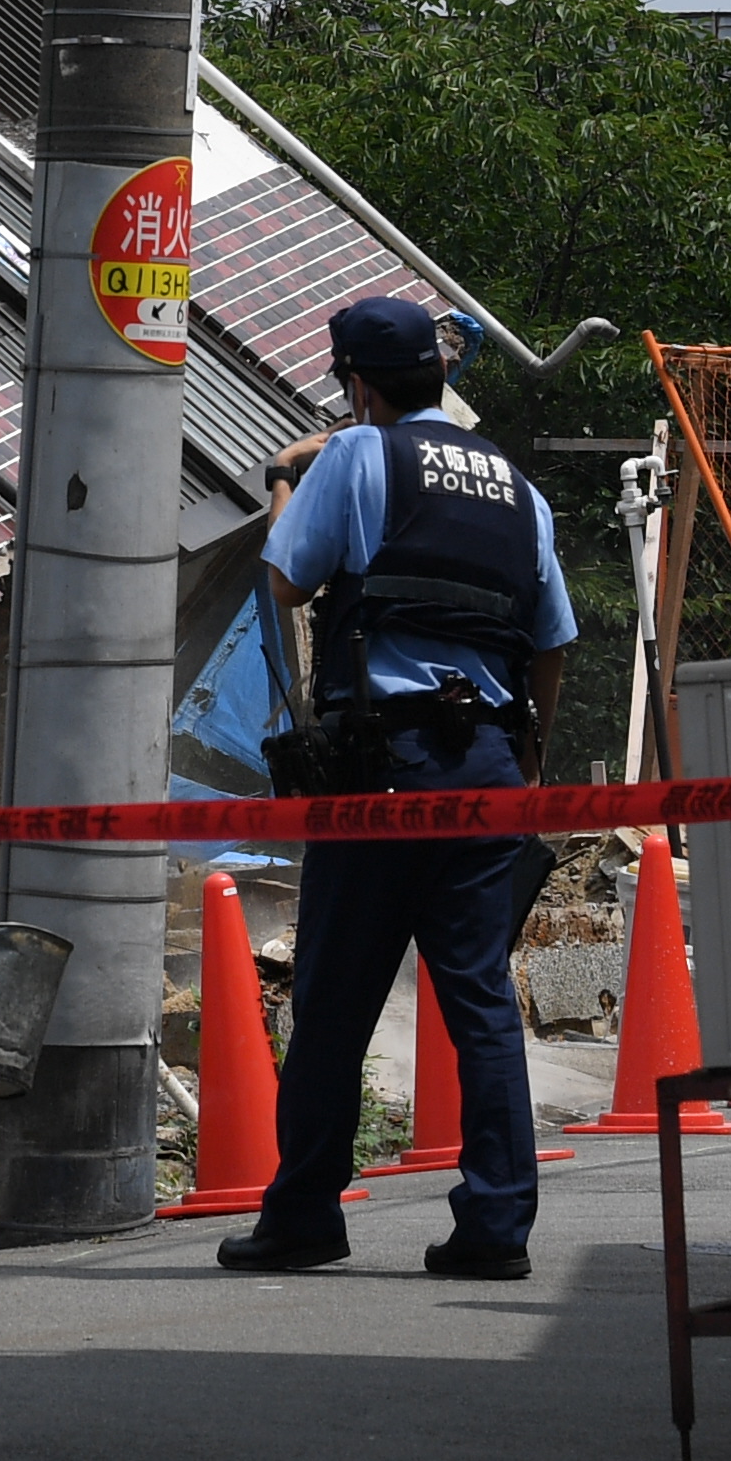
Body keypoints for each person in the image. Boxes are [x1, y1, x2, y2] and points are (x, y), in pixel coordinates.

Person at [220, 294, 574, 1286]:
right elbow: (551, 640)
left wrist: (284, 482)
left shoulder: (353, 459)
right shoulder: (518, 487)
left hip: (384, 767)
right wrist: (530, 756)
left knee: (334, 996)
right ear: (440, 376)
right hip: (491, 767)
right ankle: (497, 1225)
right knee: (480, 999)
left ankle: (303, 1217)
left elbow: (287, 580)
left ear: (359, 383)